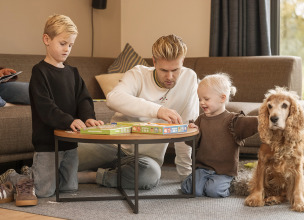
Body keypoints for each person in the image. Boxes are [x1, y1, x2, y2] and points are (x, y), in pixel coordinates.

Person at [1, 14, 103, 206]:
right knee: (43, 190)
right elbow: (45, 106)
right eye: (63, 43)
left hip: (70, 143)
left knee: (69, 188)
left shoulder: (73, 72)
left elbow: (84, 99)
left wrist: (88, 117)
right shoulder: (39, 72)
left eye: (71, 45)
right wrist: (68, 120)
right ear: (47, 39)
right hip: (48, 143)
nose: (67, 49)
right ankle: (15, 176)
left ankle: (35, 172)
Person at [77, 34, 199, 189]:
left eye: (175, 70)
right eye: (163, 70)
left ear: (183, 61)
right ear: (154, 62)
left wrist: (186, 175)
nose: (170, 77)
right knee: (62, 156)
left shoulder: (189, 79)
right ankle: (113, 172)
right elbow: (113, 98)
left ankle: (94, 176)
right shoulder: (138, 74)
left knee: (150, 175)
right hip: (113, 146)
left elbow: (185, 129)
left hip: (145, 159)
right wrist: (157, 110)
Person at [181, 73, 258, 198]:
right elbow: (191, 143)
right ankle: (199, 181)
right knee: (192, 190)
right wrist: (192, 132)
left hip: (224, 171)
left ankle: (229, 182)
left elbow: (254, 122)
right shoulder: (200, 119)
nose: (202, 103)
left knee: (214, 191)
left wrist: (267, 119)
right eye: (200, 99)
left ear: (222, 98)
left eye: (206, 99)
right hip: (202, 167)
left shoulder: (233, 120)